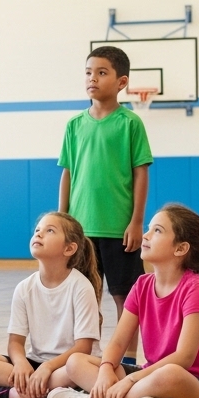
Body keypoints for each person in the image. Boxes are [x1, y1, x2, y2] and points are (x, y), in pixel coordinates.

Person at [45, 205, 199, 398]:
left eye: (157, 231)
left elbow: (183, 358)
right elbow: (119, 341)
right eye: (149, 229)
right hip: (148, 377)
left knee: (169, 374)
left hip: (194, 386)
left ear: (180, 248)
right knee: (76, 362)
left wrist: (130, 380)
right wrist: (105, 371)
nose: (146, 235)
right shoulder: (142, 285)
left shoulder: (194, 289)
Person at [58, 45, 152, 364]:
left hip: (118, 228)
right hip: (81, 231)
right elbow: (68, 174)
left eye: (101, 72)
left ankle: (127, 358)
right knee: (85, 296)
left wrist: (137, 221)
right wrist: (63, 221)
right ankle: (89, 356)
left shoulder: (130, 124)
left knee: (124, 296)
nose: (93, 78)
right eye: (88, 72)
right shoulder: (74, 125)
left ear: (121, 81)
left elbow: (140, 174)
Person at [0, 213, 101, 398]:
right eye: (37, 230)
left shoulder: (81, 287)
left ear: (69, 248)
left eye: (49, 230)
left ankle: (13, 394)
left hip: (69, 366)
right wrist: (20, 363)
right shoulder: (24, 287)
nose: (39, 234)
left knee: (72, 371)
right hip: (35, 363)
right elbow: (16, 343)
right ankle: (40, 392)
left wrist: (47, 368)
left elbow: (83, 348)